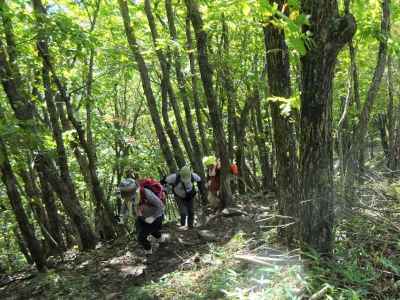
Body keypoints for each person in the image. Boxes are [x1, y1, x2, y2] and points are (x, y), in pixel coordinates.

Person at [118, 178, 166, 255]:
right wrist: (121, 217)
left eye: (128, 192)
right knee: (151, 231)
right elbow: (124, 208)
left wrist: (153, 217)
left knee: (141, 237)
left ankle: (148, 253)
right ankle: (161, 240)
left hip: (156, 217)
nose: (127, 195)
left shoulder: (146, 193)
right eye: (125, 193)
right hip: (142, 217)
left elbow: (160, 206)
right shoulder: (127, 198)